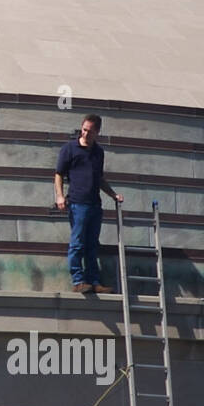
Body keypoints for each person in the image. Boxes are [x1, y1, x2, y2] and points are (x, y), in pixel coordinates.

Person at [54, 114, 124, 293]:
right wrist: (60, 196)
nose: (85, 134)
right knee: (77, 243)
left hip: (95, 204)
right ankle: (78, 281)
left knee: (92, 244)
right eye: (84, 130)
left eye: (90, 131)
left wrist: (113, 194)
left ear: (97, 132)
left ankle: (93, 281)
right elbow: (59, 174)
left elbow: (99, 178)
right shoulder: (70, 149)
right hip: (78, 203)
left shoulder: (98, 152)